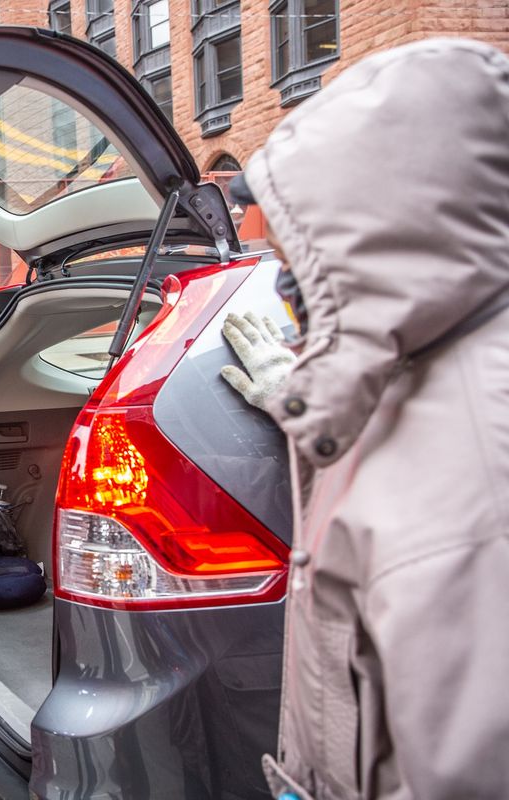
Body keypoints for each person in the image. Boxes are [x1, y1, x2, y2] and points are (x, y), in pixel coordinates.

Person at [218, 39, 509, 800]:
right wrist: (297, 393)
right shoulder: (423, 361)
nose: (286, 285)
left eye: (306, 260)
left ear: (386, 237)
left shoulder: (479, 496)